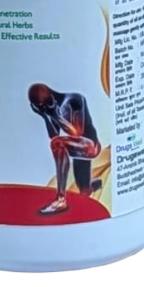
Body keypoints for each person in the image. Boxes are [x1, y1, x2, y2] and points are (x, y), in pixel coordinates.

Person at [28, 83, 102, 215]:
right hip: (78, 150)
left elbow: (77, 133)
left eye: (43, 105)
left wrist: (55, 115)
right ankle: (96, 184)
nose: (43, 108)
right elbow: (54, 135)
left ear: (50, 97)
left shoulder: (74, 100)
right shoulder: (52, 109)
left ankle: (60, 199)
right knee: (84, 191)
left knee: (57, 144)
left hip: (91, 146)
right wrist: (46, 116)